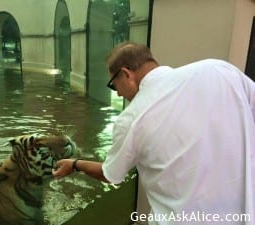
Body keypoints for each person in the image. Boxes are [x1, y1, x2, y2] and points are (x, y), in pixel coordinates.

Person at [53, 42, 255, 224]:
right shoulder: (219, 70)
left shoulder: (131, 119)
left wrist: (75, 164)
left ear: (126, 74)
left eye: (114, 86)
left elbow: (111, 174)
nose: (119, 93)